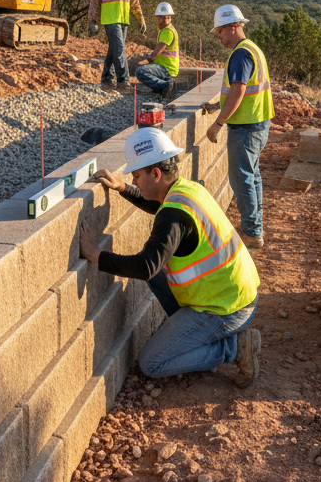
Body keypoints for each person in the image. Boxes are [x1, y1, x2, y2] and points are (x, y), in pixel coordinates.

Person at [78, 127, 262, 387]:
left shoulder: (173, 215)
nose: (134, 180)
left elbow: (144, 267)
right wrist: (124, 188)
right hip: (233, 292)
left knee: (152, 363)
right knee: (157, 276)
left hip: (226, 307)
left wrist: (97, 255)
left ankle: (234, 348)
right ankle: (191, 334)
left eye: (137, 175)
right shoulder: (185, 189)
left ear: (155, 174)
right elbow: (158, 204)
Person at [204, 4, 273, 249]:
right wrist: (216, 107)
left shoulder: (241, 54)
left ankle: (252, 232)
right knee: (252, 176)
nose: (219, 37)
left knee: (241, 179)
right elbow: (240, 92)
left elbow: (239, 89)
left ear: (233, 27)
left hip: (245, 128)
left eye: (220, 31)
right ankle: (255, 226)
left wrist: (217, 123)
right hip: (257, 123)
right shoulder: (252, 49)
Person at [87, 0, 146, 89]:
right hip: (110, 20)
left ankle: (106, 79)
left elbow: (133, 1)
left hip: (123, 20)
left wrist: (141, 19)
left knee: (114, 50)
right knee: (119, 50)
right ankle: (123, 81)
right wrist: (93, 20)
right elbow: (95, 0)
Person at [134, 2, 179, 99]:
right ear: (158, 17)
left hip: (167, 69)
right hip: (167, 68)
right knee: (146, 69)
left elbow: (154, 55)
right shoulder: (164, 30)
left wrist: (145, 60)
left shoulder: (167, 31)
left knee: (140, 72)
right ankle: (161, 86)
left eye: (168, 18)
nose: (166, 21)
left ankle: (165, 86)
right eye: (164, 18)